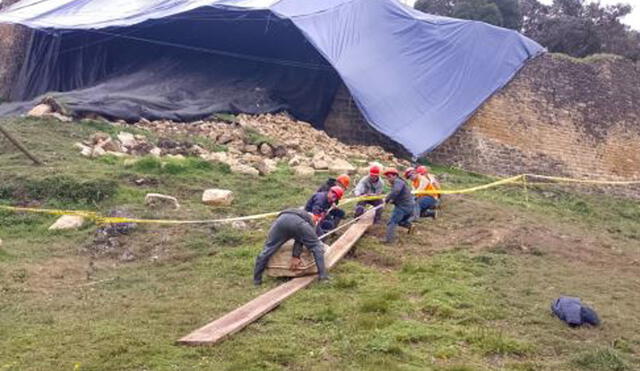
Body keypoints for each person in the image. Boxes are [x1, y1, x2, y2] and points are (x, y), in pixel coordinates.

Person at [253, 208, 329, 285]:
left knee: (267, 250)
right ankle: (323, 277)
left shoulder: (299, 212)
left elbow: (298, 238)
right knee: (316, 247)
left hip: (280, 222)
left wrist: (295, 256)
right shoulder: (311, 221)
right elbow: (301, 239)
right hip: (298, 223)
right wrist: (296, 256)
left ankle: (257, 280)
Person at [382, 167, 416, 244]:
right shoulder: (401, 183)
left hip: (403, 207)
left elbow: (396, 191)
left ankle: (389, 240)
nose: (388, 179)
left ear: (395, 176)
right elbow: (399, 194)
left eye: (390, 177)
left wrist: (387, 200)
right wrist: (393, 201)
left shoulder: (398, 182)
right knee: (401, 221)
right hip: (410, 207)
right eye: (387, 177)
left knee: (392, 222)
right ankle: (410, 226)